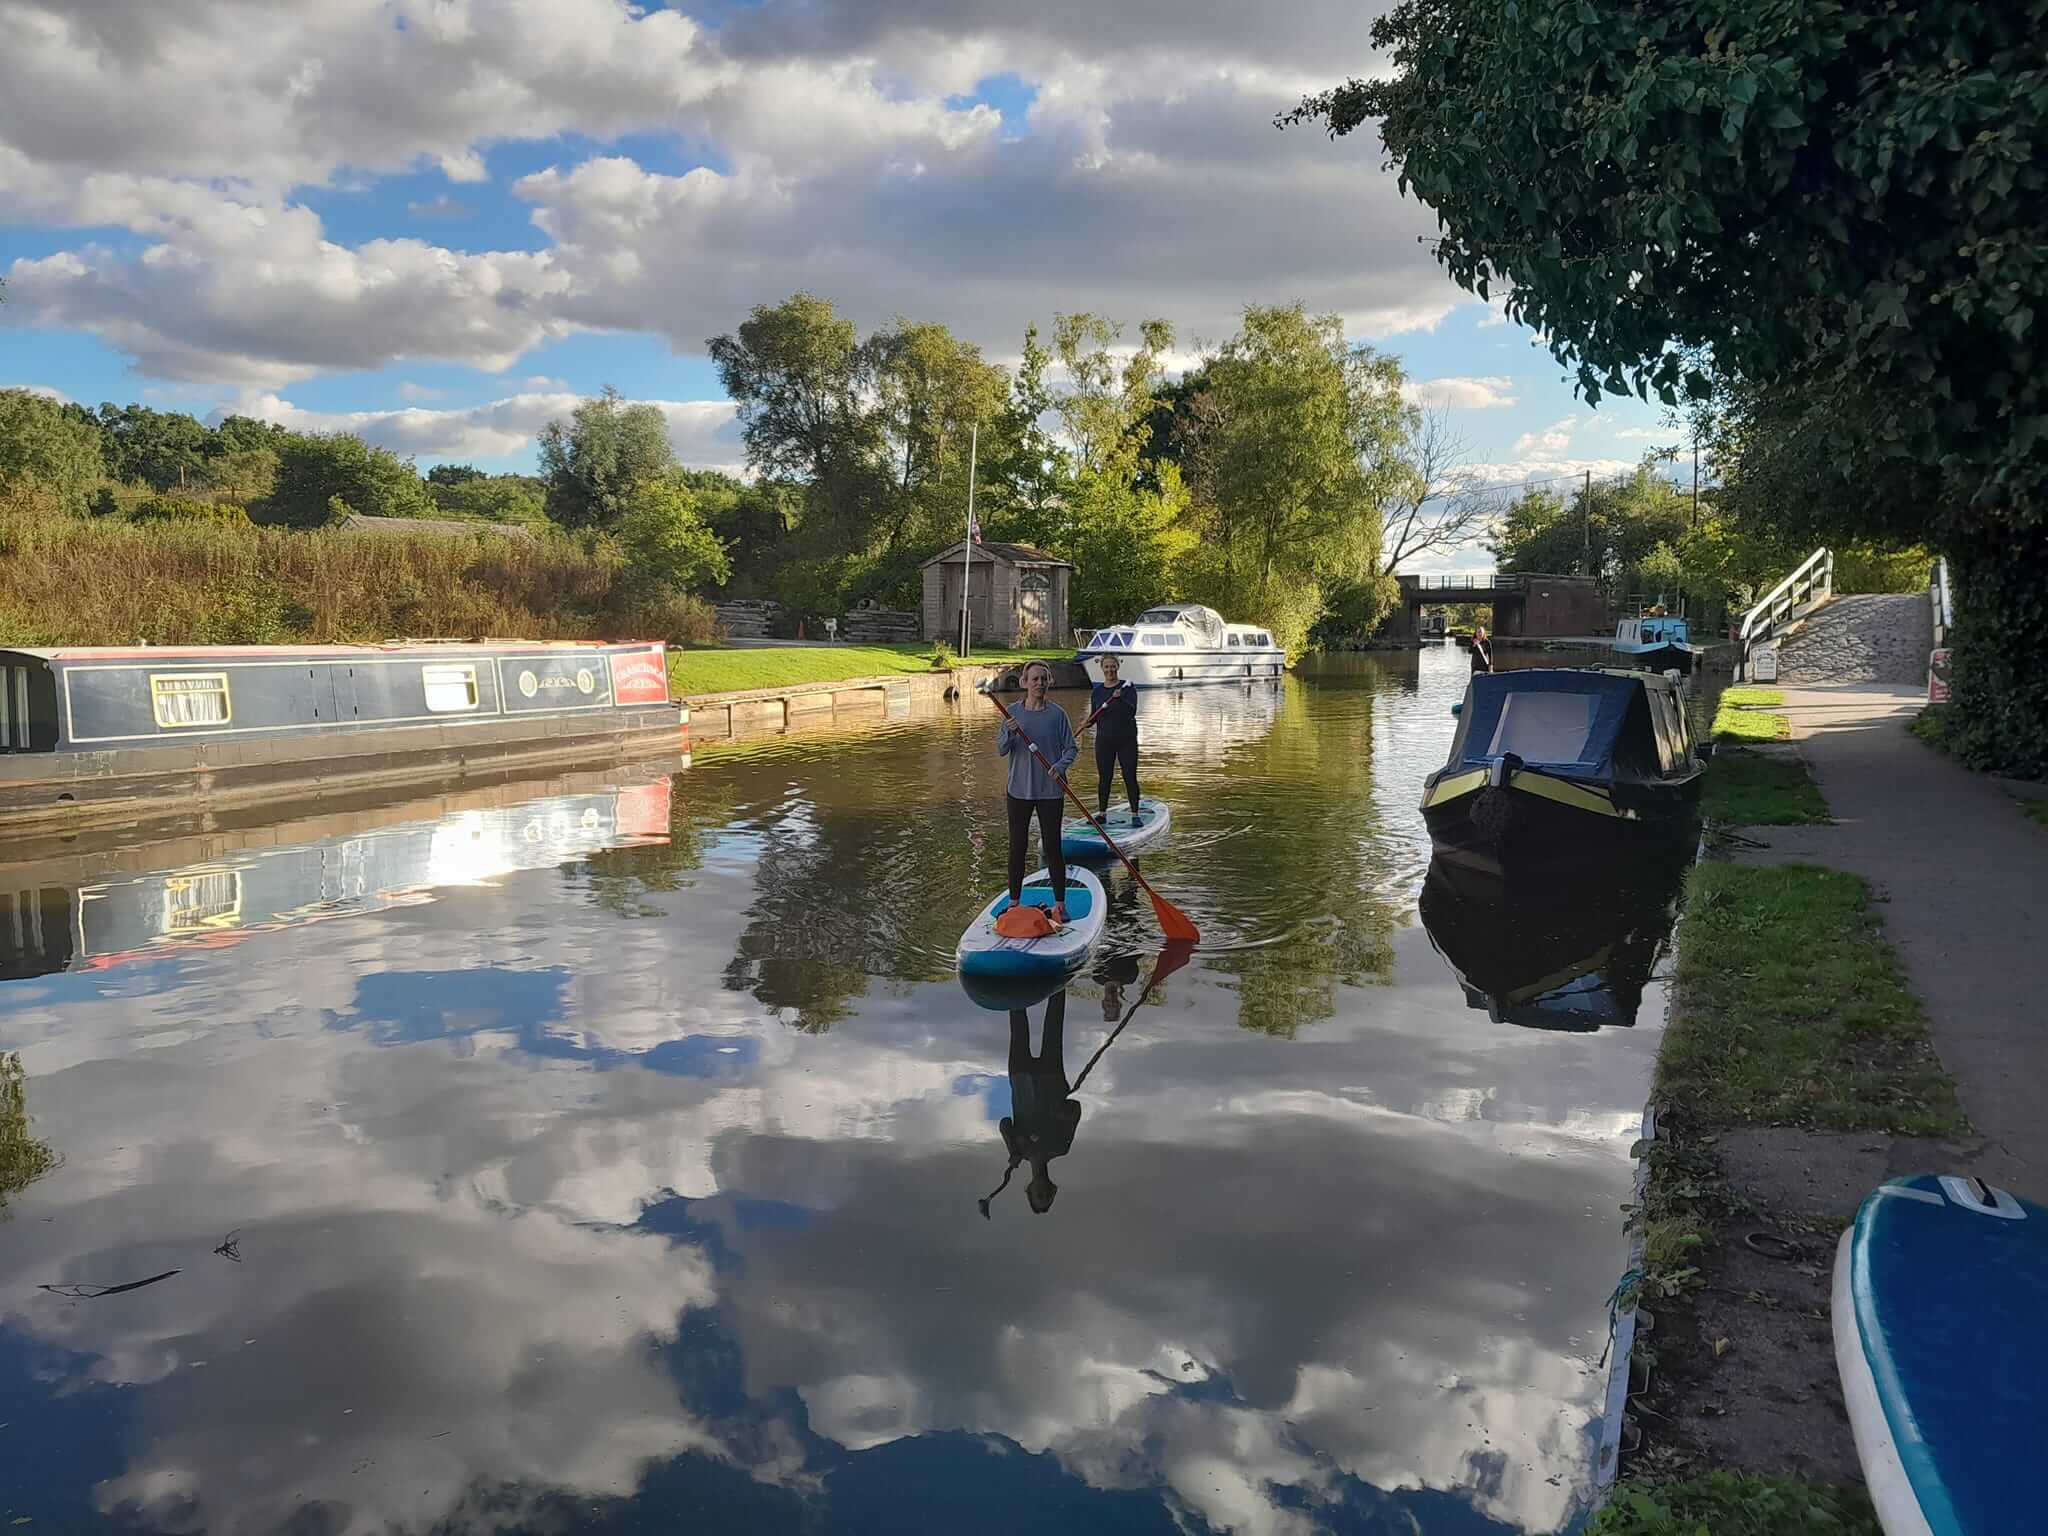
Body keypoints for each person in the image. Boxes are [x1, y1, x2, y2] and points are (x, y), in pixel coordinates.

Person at [979, 991, 1081, 1218]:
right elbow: (1075, 1110)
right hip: (1051, 1079)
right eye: (1047, 1197)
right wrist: (1063, 1114)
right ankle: (1059, 980)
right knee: (1054, 1024)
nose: (1042, 1194)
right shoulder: (1060, 1148)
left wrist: (1012, 1148)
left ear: (1030, 1191)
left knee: (1017, 1023)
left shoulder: (1019, 1152)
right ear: (1053, 1191)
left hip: (1020, 1078)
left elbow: (1005, 1123)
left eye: (1038, 1197)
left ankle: (1015, 980)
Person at [996, 660, 1077, 924]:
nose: (1039, 683)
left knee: (1053, 846)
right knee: (1017, 846)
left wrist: (1059, 766)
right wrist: (1008, 734)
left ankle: (1061, 905)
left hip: (1050, 791)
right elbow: (1001, 750)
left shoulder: (1058, 715)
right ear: (1024, 683)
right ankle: (1013, 902)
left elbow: (1071, 749)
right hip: (1018, 791)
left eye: (1043, 679)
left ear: (1049, 682)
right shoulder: (1011, 714)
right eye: (1034, 679)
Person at [1088, 654, 1142, 821]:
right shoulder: (1097, 692)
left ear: (1117, 667)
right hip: (1104, 741)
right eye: (1106, 667)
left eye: (1113, 666)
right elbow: (1094, 716)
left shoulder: (1127, 688)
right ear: (1102, 668)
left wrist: (1120, 699)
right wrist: (1087, 722)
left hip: (1126, 739)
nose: (1110, 670)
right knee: (1104, 777)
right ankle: (1102, 813)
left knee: (1129, 776)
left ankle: (1135, 814)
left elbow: (1131, 711)